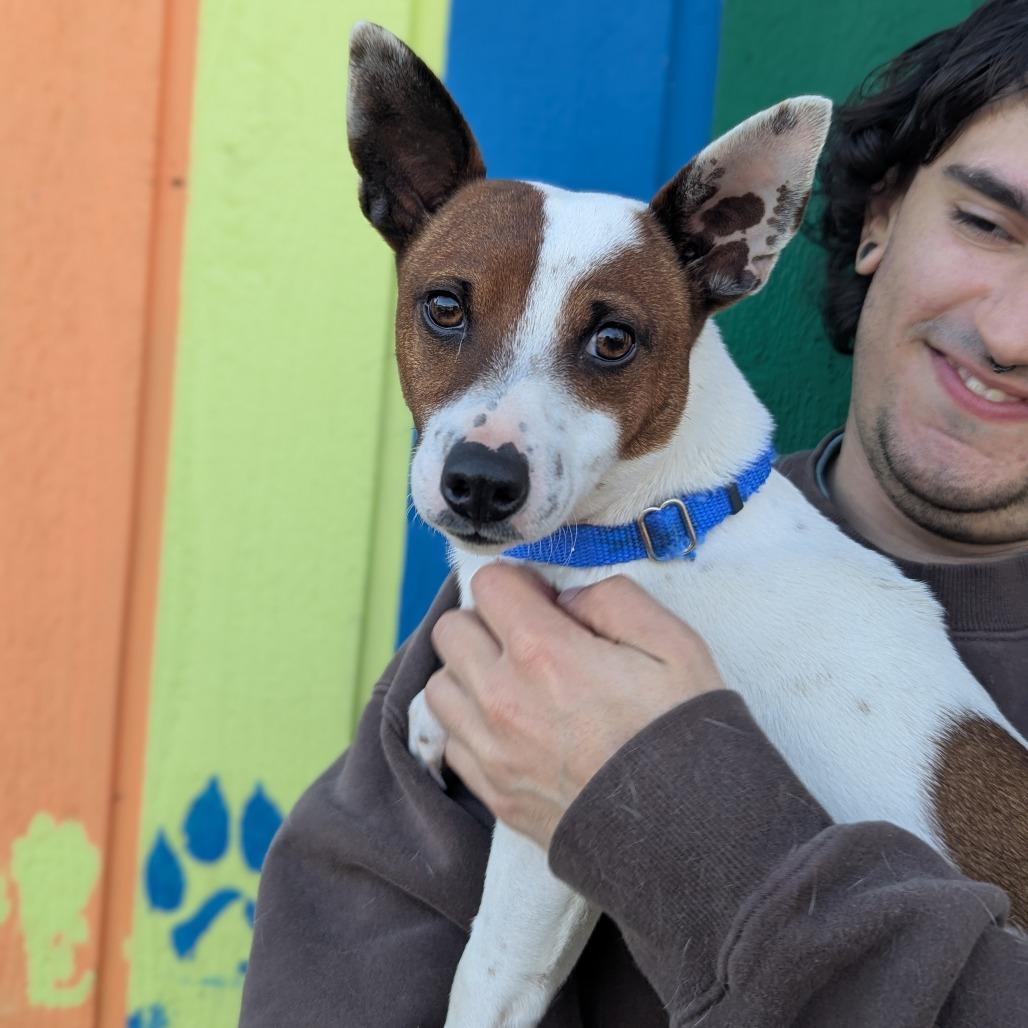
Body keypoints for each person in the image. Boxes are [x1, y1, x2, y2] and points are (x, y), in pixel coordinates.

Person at [240, 2, 1028, 1024]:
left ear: (735, 246)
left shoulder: (600, 612)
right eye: (983, 221)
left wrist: (659, 803)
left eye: (608, 342)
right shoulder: (506, 616)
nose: (1008, 332)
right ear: (874, 219)